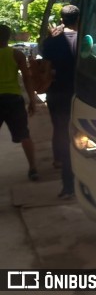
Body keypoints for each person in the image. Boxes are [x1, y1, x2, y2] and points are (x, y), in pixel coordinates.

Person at [41, 5, 79, 199]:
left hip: (57, 93)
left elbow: (46, 70)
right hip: (81, 94)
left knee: (60, 130)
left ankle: (62, 168)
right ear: (79, 18)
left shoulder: (51, 43)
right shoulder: (86, 40)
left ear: (61, 19)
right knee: (80, 133)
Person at [0, 24, 39, 181]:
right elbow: (27, 78)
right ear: (8, 37)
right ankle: (33, 168)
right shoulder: (17, 55)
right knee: (24, 135)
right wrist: (32, 100)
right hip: (14, 99)